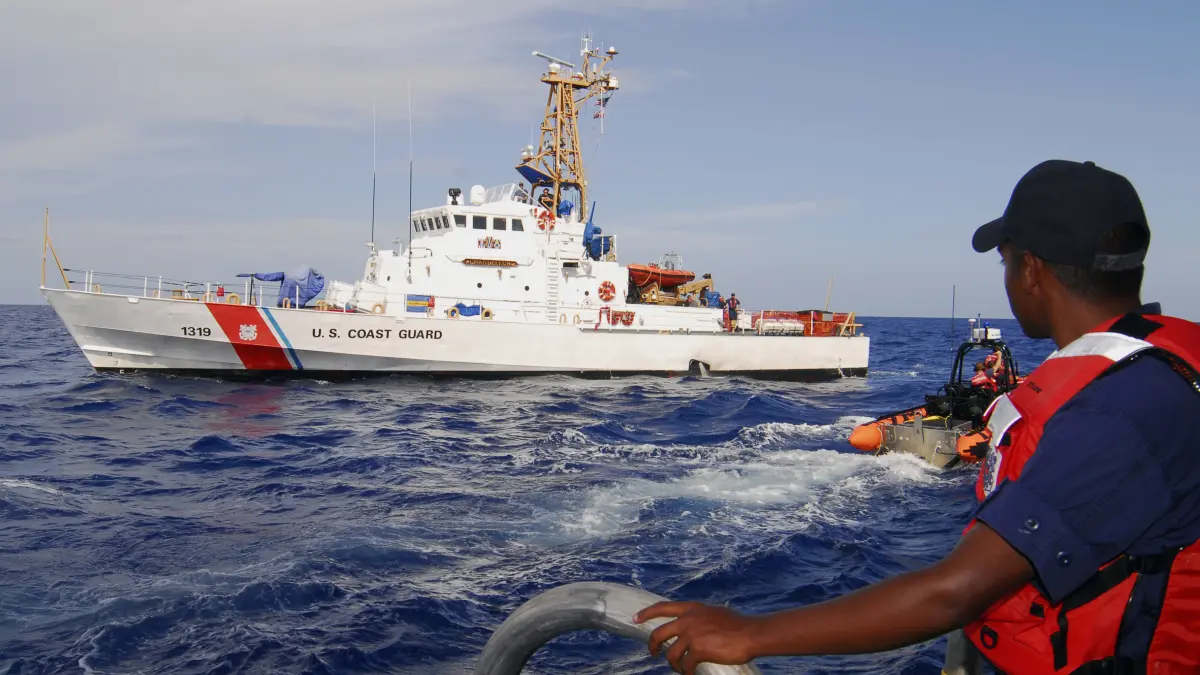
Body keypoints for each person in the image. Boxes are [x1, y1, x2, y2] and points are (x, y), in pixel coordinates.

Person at [632, 159, 1200, 675]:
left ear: (1030, 270)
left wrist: (752, 632)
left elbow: (954, 592)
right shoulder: (1153, 371)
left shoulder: (1115, 411)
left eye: (1005, 263)